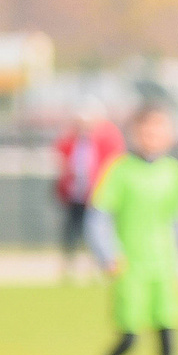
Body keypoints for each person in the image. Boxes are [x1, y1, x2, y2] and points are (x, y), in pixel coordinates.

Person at [72, 104, 178, 355]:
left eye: (160, 131)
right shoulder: (120, 171)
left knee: (168, 337)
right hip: (130, 267)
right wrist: (107, 254)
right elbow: (97, 216)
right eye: (147, 132)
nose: (154, 138)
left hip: (163, 267)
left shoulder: (174, 172)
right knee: (129, 340)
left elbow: (177, 223)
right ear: (136, 134)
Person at [53, 103, 124, 282]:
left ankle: (99, 267)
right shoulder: (72, 140)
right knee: (71, 233)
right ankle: (69, 269)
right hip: (75, 195)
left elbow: (114, 164)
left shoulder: (107, 139)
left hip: (97, 196)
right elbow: (62, 158)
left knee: (96, 233)